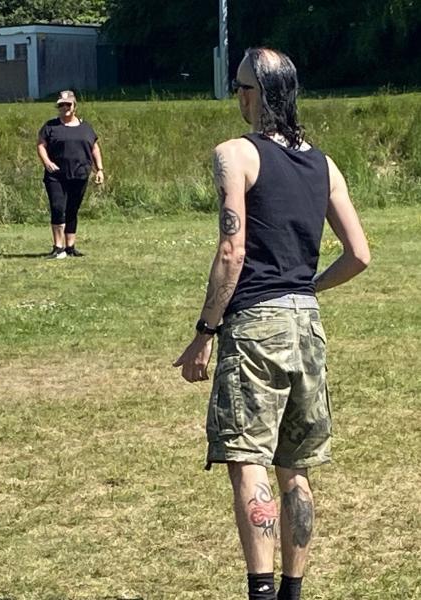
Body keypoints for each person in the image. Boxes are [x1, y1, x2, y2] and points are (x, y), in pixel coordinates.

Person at [173, 48, 370, 600]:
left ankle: (259, 592)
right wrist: (307, 289)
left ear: (253, 93)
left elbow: (231, 249)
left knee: (247, 459)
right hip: (307, 326)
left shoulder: (235, 154)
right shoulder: (325, 164)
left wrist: (204, 333)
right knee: (296, 467)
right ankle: (292, 591)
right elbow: (359, 254)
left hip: (256, 325)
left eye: (240, 85)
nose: (236, 94)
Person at [36, 90, 104, 259]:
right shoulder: (51, 126)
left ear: (75, 106)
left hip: (80, 174)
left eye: (68, 104)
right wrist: (47, 162)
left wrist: (99, 169)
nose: (64, 107)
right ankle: (58, 247)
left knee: (72, 209)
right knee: (58, 208)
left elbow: (94, 147)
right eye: (61, 105)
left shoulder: (86, 127)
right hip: (56, 175)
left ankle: (70, 246)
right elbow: (41, 145)